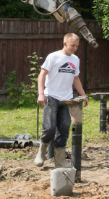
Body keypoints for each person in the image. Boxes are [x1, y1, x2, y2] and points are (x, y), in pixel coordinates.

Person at [34, 33, 89, 168]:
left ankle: (60, 159)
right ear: (64, 44)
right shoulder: (53, 57)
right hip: (51, 97)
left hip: (67, 99)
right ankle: (41, 152)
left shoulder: (75, 59)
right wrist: (41, 94)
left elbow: (76, 79)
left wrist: (83, 95)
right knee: (49, 127)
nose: (74, 48)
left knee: (64, 129)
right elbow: (42, 75)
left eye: (76, 46)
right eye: (72, 45)